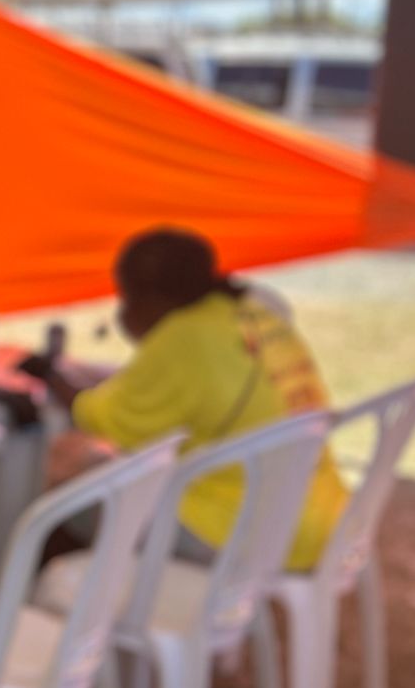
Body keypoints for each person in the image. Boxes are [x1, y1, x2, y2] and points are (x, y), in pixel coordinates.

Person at [21, 227, 347, 569]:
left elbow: (97, 417)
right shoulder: (254, 313)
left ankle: (59, 594)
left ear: (147, 297)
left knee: (65, 496)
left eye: (127, 297)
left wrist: (50, 376)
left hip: (242, 531)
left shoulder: (183, 338)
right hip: (318, 517)